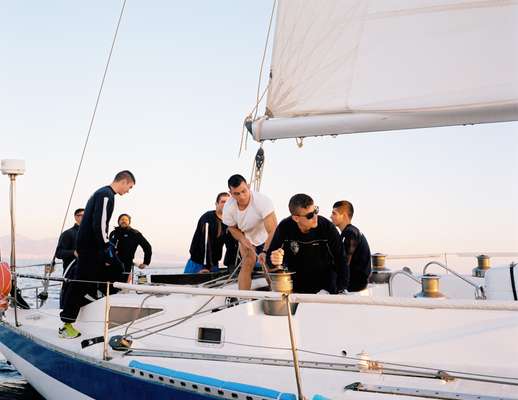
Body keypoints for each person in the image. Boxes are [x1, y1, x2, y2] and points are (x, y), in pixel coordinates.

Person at [59, 170, 135, 339]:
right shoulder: (106, 194)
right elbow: (100, 224)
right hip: (92, 248)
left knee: (96, 277)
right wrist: (107, 247)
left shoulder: (102, 193)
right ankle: (66, 324)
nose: (127, 191)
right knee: (110, 270)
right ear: (123, 181)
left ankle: (94, 302)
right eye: (129, 187)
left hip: (90, 247)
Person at [267, 194, 348, 294]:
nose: (315, 217)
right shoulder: (285, 227)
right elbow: (269, 259)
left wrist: (341, 289)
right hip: (296, 288)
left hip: (325, 288)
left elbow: (341, 260)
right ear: (296, 218)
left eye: (315, 211)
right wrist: (274, 260)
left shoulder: (327, 227)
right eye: (310, 215)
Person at [222, 174, 277, 290]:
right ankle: (243, 300)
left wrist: (265, 251)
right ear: (231, 193)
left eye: (244, 191)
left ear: (248, 186)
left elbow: (273, 230)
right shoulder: (228, 207)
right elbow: (232, 228)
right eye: (236, 193)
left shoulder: (262, 201)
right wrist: (242, 239)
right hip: (246, 236)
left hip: (267, 235)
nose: (241, 196)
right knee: (247, 262)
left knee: (267, 265)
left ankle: (275, 296)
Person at [184, 192, 237, 274]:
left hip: (214, 265)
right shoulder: (208, 218)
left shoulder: (228, 222)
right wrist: (205, 266)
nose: (225, 204)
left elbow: (231, 246)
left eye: (228, 202)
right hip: (198, 263)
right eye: (223, 202)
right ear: (216, 204)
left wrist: (232, 265)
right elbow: (204, 242)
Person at [331, 200, 372, 292]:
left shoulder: (350, 233)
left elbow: (344, 262)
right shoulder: (349, 232)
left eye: (334, 213)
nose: (331, 216)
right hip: (356, 281)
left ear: (344, 215)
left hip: (355, 284)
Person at [109, 213, 152, 283]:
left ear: (129, 222)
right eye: (122, 219)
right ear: (118, 221)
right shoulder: (113, 233)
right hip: (112, 263)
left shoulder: (135, 234)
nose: (124, 221)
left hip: (126, 263)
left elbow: (147, 247)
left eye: (126, 220)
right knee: (111, 285)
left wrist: (146, 262)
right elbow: (108, 248)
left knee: (122, 284)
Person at [54, 208, 84, 274]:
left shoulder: (91, 234)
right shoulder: (68, 233)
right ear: (76, 217)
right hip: (72, 273)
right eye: (82, 215)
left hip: (89, 274)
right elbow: (58, 253)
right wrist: (73, 253)